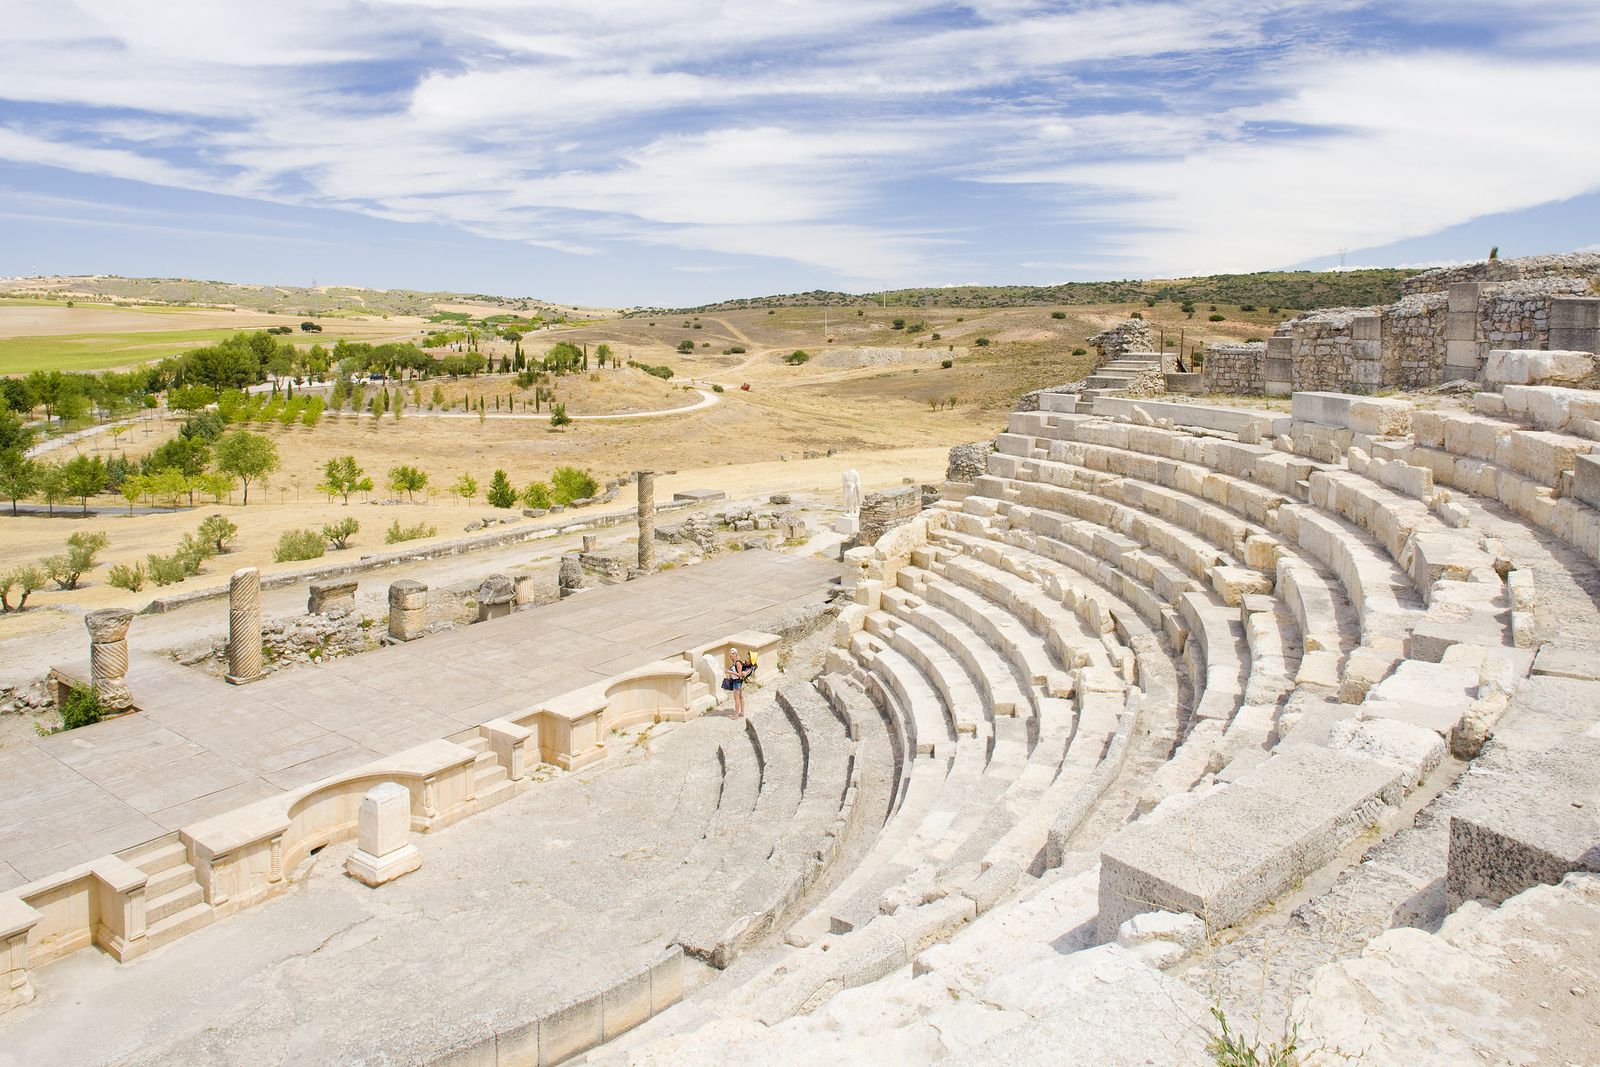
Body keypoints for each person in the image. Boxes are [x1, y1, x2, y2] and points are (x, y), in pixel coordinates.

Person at [722, 647, 754, 718]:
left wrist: (730, 672)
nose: (731, 655)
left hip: (737, 682)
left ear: (736, 654)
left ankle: (736, 715)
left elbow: (739, 675)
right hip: (738, 682)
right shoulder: (735, 662)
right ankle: (741, 712)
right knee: (740, 697)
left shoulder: (737, 663)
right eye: (730, 654)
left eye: (733, 653)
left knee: (736, 698)